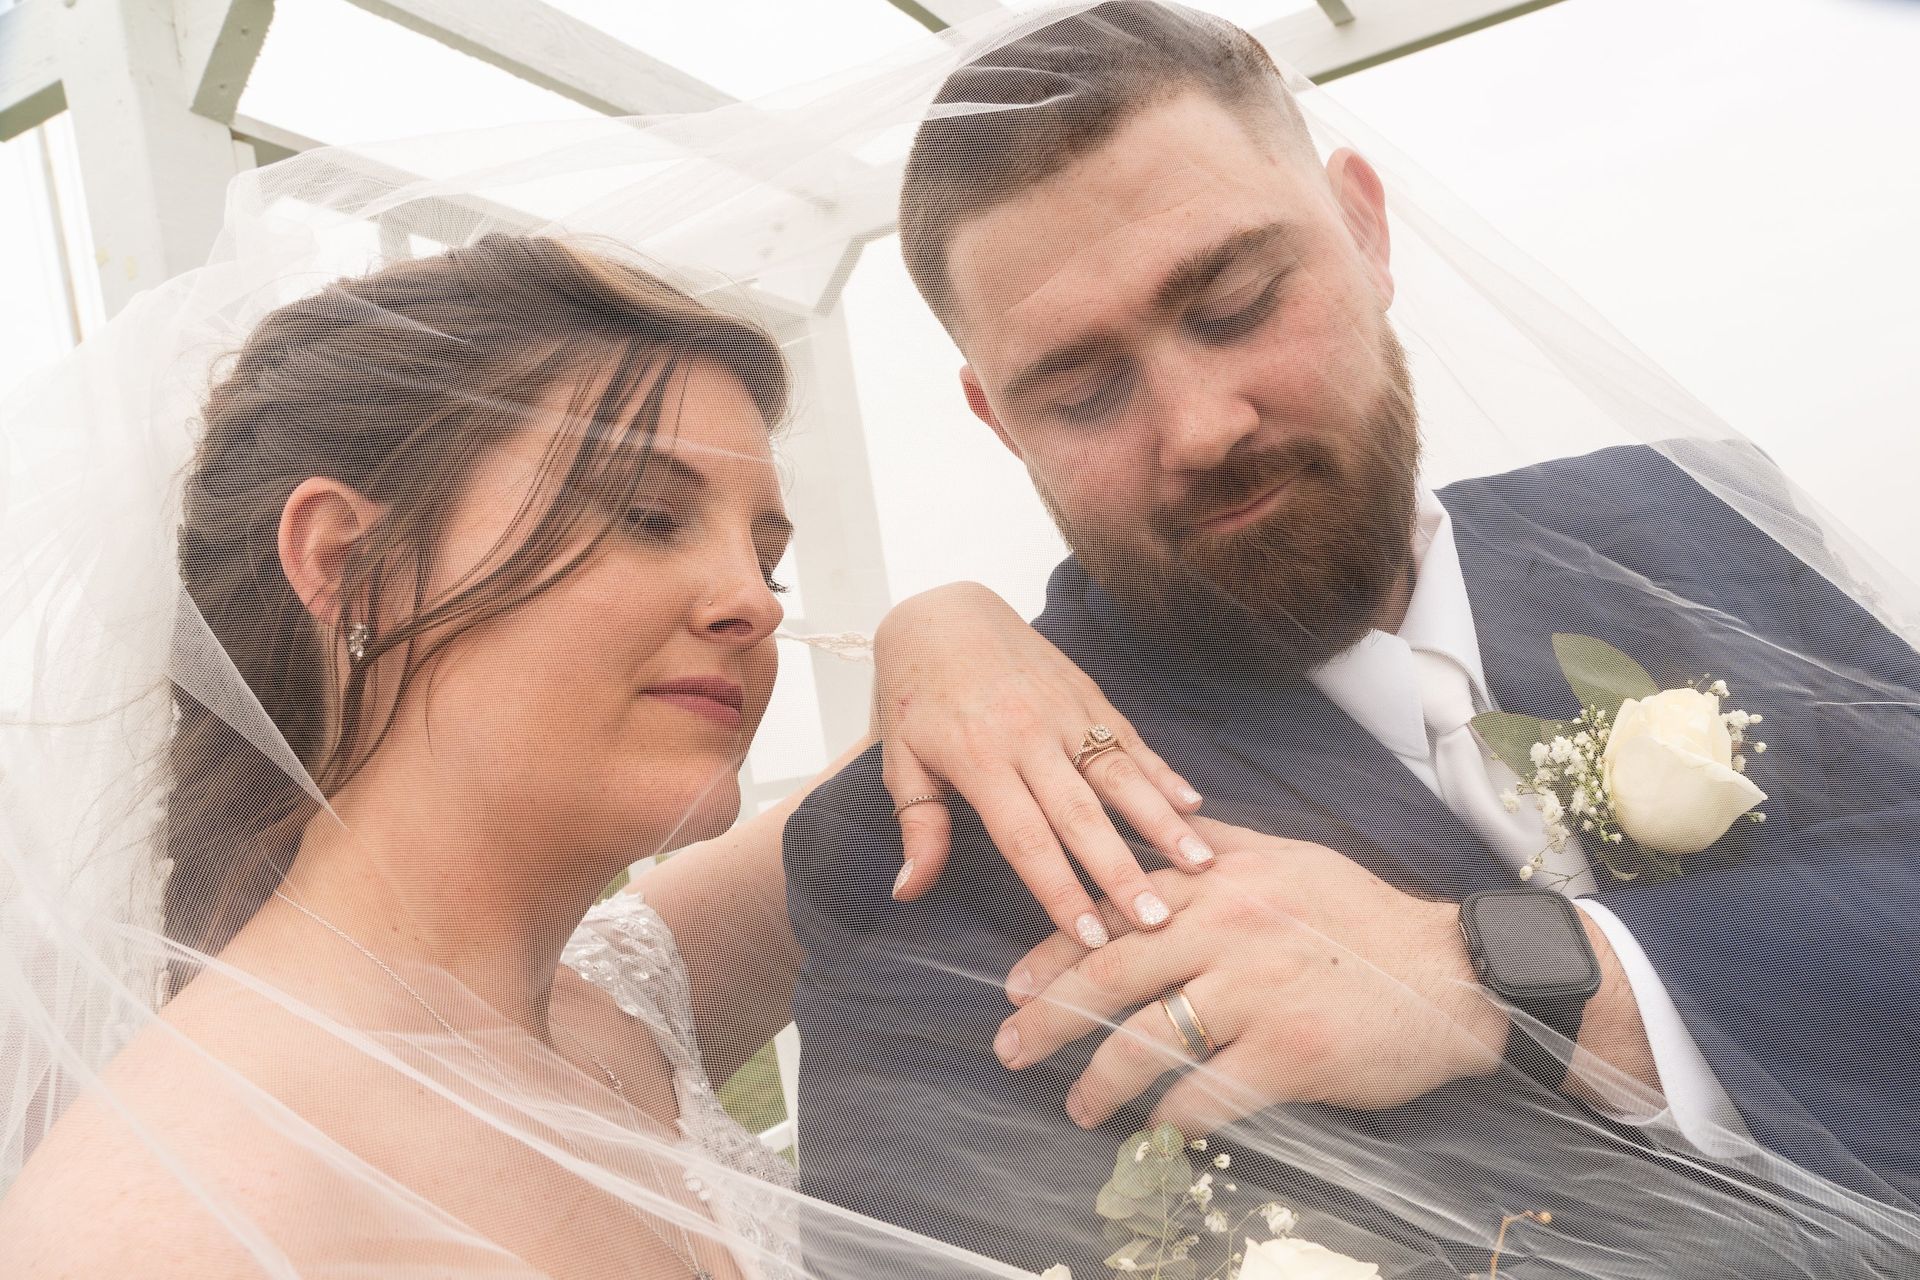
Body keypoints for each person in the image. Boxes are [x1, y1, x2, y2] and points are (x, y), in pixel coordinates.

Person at [782, 3, 1920, 1275]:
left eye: (1237, 301)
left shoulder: (1698, 522)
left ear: (1366, 231)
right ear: (998, 422)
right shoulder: (935, 859)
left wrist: (1506, 974)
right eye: (1084, 388)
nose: (1202, 424)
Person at [0, 233, 1212, 1278]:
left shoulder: (621, 1000)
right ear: (340, 558)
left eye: (768, 553)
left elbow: (936, 759)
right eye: (644, 515)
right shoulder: (158, 1218)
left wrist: (945, 620)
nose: (752, 598)